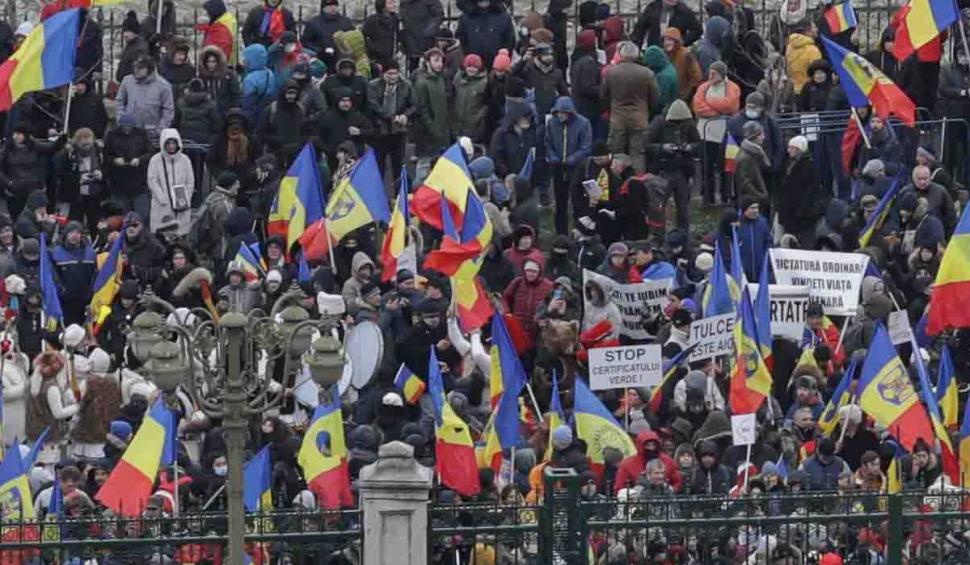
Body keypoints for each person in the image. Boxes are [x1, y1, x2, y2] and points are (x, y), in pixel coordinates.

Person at [601, 42, 659, 174]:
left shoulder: (612, 72)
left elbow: (603, 95)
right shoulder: (647, 73)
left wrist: (610, 108)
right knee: (638, 154)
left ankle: (617, 185)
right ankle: (637, 185)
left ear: (621, 54)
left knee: (616, 154)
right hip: (640, 118)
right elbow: (655, 96)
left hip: (618, 118)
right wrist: (647, 109)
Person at [644, 99, 700, 232]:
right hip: (662, 170)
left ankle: (683, 236)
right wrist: (662, 148)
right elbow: (646, 144)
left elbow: (698, 143)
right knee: (658, 206)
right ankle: (658, 235)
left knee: (683, 209)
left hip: (682, 170)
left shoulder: (689, 123)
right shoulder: (658, 122)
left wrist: (690, 147)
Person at [692, 61, 740, 205]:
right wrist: (718, 111)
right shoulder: (703, 87)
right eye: (710, 72)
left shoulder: (732, 87)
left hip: (725, 133)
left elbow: (730, 105)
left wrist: (710, 103)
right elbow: (698, 107)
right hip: (706, 133)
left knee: (726, 166)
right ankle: (708, 197)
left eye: (714, 73)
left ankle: (726, 197)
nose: (711, 76)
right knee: (707, 166)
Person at [545, 96, 592, 235]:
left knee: (578, 202)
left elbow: (586, 147)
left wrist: (572, 159)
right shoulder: (552, 123)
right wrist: (553, 157)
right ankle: (561, 233)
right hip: (558, 168)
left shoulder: (583, 124)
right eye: (558, 112)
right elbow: (548, 144)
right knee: (560, 203)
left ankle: (579, 231)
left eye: (563, 113)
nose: (560, 115)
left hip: (577, 169)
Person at [367, 63, 416, 180]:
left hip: (398, 131)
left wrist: (405, 115)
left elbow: (413, 105)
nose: (392, 76)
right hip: (379, 131)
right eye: (389, 73)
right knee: (379, 165)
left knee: (398, 164)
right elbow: (373, 106)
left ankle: (398, 194)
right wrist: (392, 117)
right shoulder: (373, 85)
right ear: (383, 74)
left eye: (395, 73)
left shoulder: (407, 85)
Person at [147, 129, 195, 237]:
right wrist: (162, 198)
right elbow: (152, 180)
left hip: (182, 206)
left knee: (181, 236)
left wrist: (185, 198)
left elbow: (190, 181)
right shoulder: (155, 160)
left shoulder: (185, 160)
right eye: (168, 143)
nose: (171, 146)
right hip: (162, 206)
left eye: (174, 143)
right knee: (162, 236)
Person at [412, 49, 451, 176]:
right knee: (424, 167)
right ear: (427, 62)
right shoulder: (422, 82)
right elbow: (422, 110)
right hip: (426, 133)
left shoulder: (440, 79)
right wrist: (433, 128)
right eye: (436, 60)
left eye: (441, 61)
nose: (439, 64)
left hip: (441, 130)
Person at [116, 56, 175, 136]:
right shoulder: (127, 81)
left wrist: (161, 129)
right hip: (130, 130)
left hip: (152, 133)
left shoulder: (164, 86)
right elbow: (119, 102)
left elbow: (168, 110)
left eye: (140, 68)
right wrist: (121, 120)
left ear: (149, 69)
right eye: (135, 67)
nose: (136, 70)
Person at [455, 0, 515, 71]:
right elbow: (461, 41)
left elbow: (509, 41)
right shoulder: (465, 18)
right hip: (473, 68)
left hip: (497, 68)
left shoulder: (504, 17)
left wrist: (503, 58)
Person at [301, 0, 354, 68]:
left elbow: (352, 38)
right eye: (329, 6)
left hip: (343, 61)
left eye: (335, 5)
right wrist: (321, 50)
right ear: (323, 8)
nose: (333, 8)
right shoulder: (314, 23)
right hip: (322, 60)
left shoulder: (346, 22)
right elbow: (306, 42)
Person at [631, 0, 702, 48]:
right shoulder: (652, 8)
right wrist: (637, 48)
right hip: (655, 49)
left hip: (675, 53)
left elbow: (697, 29)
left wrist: (682, 43)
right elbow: (639, 30)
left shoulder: (684, 11)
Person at [733, 120, 770, 208]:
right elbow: (744, 181)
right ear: (754, 136)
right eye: (761, 134)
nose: (764, 137)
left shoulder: (754, 152)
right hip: (751, 201)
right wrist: (760, 195)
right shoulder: (747, 156)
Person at [661, 27, 702, 101]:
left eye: (670, 40)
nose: (667, 43)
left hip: (682, 96)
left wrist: (687, 95)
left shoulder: (685, 55)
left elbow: (696, 76)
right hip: (668, 97)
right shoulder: (663, 55)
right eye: (665, 40)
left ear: (676, 41)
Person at [785, 21, 823, 95]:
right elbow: (817, 74)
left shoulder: (790, 46)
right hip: (808, 91)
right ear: (808, 31)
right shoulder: (812, 50)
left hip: (793, 89)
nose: (817, 29)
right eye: (814, 27)